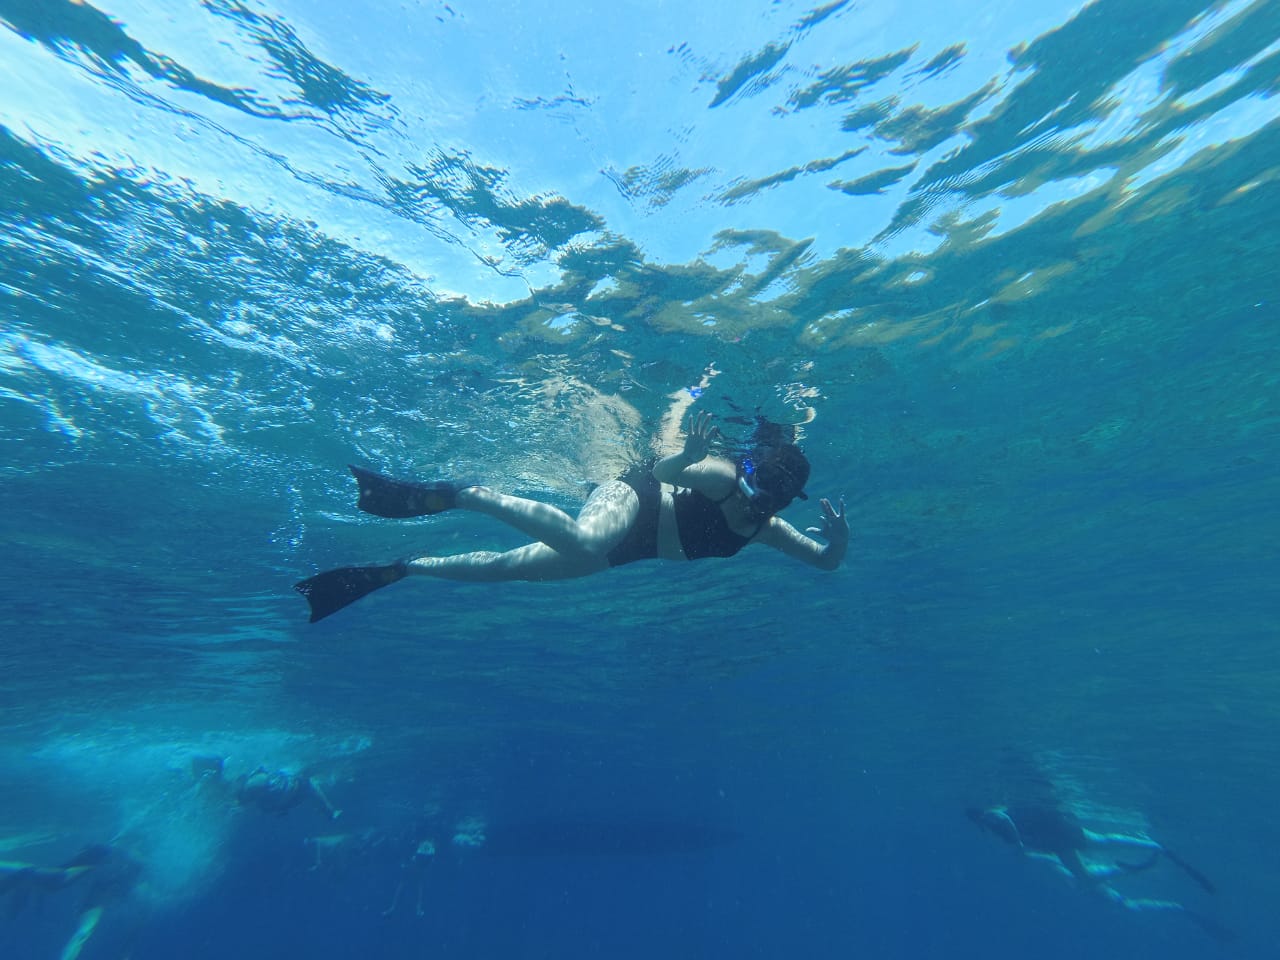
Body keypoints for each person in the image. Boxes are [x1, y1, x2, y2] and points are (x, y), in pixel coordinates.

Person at [296, 412, 849, 621]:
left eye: (772, 502)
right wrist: (688, 456)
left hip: (631, 550)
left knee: (509, 570)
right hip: (635, 497)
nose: (758, 504)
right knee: (585, 541)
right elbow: (664, 472)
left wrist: (839, 540)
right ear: (751, 474)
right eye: (759, 491)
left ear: (784, 504)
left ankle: (405, 567)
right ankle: (466, 494)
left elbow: (825, 562)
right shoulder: (723, 477)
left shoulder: (766, 530)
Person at [967, 803, 1231, 940]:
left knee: (1088, 876)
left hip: (1058, 843)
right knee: (1102, 843)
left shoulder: (993, 817)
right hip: (1060, 836)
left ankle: (1131, 866)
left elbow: (1005, 822)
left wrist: (1018, 846)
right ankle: (1151, 847)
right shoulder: (1001, 815)